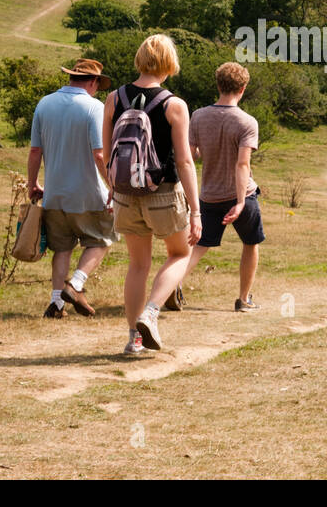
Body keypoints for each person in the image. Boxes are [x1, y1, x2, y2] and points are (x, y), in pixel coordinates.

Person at [102, 34, 201, 354]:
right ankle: (152, 310)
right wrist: (196, 210)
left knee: (137, 264)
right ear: (169, 64)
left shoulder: (114, 98)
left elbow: (107, 154)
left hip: (126, 194)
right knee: (180, 254)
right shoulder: (175, 105)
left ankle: (134, 338)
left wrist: (112, 190)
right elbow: (185, 160)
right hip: (163, 192)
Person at [28, 59, 118, 319]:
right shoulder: (93, 107)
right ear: (93, 82)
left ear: (71, 78)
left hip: (55, 194)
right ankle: (76, 284)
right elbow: (99, 154)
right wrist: (112, 185)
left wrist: (33, 182)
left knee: (62, 248)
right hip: (88, 193)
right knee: (103, 238)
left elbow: (35, 150)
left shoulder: (44, 104)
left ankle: (56, 304)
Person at [182, 62, 265, 311]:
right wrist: (240, 202)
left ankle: (172, 286)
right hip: (243, 194)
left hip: (209, 195)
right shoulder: (247, 122)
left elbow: (191, 155)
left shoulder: (198, 116)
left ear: (218, 85)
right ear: (243, 88)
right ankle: (243, 299)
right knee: (250, 244)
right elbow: (242, 165)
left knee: (199, 246)